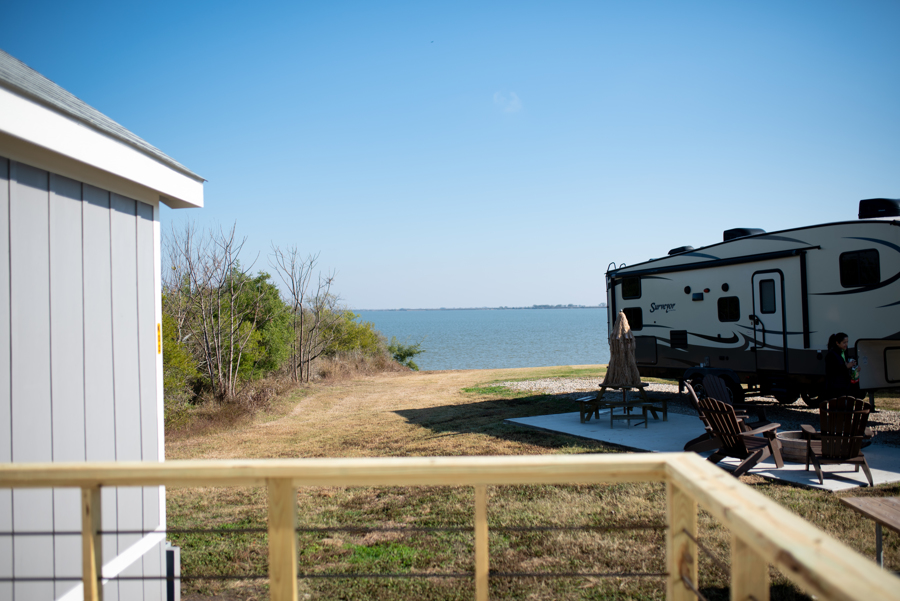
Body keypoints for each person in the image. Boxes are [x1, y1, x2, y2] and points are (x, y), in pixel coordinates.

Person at [823, 332, 860, 400]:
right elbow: (832, 371)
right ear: (837, 343)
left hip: (844, 386)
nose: (846, 344)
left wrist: (854, 367)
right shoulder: (831, 355)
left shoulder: (843, 352)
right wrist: (846, 366)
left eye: (847, 342)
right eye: (844, 342)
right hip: (835, 387)